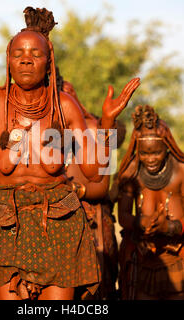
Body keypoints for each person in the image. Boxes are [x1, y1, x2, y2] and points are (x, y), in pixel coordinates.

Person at [0, 7, 140, 300]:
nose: (26, 59)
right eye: (19, 53)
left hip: (59, 221)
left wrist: (108, 123)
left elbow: (95, 171)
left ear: (48, 62)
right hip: (5, 220)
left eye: (35, 54)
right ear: (9, 61)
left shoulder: (64, 106)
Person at [116, 105, 184, 300]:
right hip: (143, 256)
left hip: (179, 253)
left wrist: (169, 227)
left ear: (167, 146)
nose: (150, 159)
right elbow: (122, 215)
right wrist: (140, 223)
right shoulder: (131, 171)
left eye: (156, 153)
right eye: (144, 154)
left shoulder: (183, 170)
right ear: (136, 150)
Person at [61, 78, 123, 300]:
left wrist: (75, 190)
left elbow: (101, 186)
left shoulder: (93, 127)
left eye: (69, 94)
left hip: (92, 218)